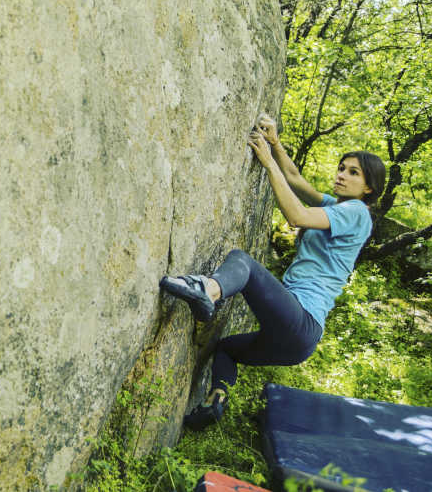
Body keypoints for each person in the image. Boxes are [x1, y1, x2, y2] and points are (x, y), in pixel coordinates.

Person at [159, 114, 386, 430]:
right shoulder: (338, 206)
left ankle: (207, 290)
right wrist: (275, 145)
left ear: (369, 188)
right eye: (341, 168)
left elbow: (298, 215)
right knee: (225, 350)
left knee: (244, 263)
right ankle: (215, 403)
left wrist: (267, 162)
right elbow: (295, 179)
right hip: (299, 341)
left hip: (301, 317)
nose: (342, 175)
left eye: (353, 172)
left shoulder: (356, 213)